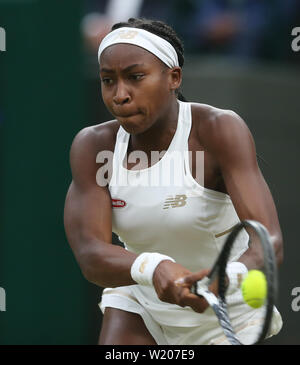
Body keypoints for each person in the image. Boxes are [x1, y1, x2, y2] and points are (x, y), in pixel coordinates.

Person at [64, 18, 283, 345]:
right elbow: (90, 253)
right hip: (142, 300)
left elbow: (269, 240)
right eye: (108, 80)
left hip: (231, 312)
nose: (120, 95)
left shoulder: (218, 128)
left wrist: (228, 276)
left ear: (173, 77)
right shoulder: (93, 146)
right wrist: (153, 267)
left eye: (136, 77)